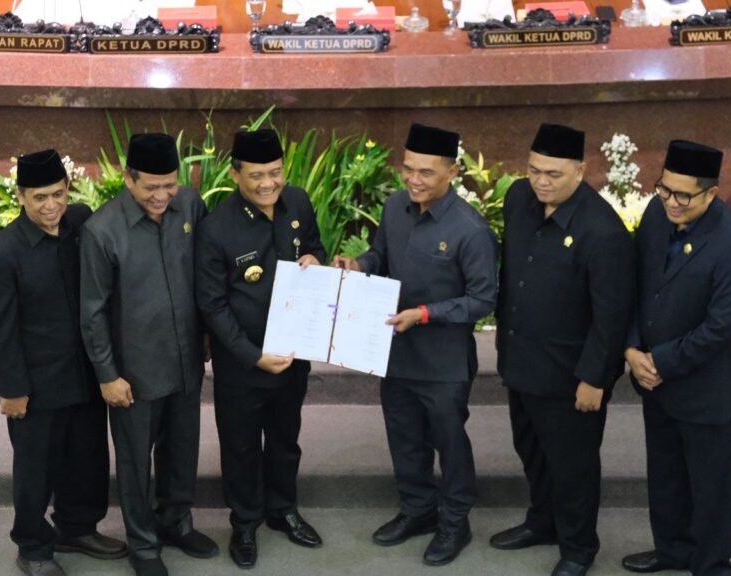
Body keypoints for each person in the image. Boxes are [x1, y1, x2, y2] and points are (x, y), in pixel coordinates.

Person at [334, 122, 497, 567]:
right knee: (404, 438)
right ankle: (417, 511)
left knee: (449, 441)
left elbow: (483, 299)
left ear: (453, 171)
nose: (414, 180)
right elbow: (380, 257)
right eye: (408, 169)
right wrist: (357, 264)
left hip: (443, 362)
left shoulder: (470, 229)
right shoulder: (393, 208)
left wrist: (426, 313)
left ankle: (455, 521)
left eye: (426, 172)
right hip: (393, 350)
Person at [492, 123, 635, 576]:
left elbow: (611, 316)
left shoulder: (603, 231)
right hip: (521, 363)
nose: (541, 182)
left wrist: (596, 378)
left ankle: (578, 548)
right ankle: (543, 522)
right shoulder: (518, 199)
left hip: (571, 377)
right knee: (530, 451)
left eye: (553, 173)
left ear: (581, 170)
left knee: (573, 468)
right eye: (534, 170)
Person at [0, 149, 126, 576]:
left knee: (88, 458)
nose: (51, 206)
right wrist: (12, 389)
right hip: (37, 385)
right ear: (21, 196)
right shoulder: (2, 254)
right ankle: (33, 545)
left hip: (85, 373)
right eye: (40, 197)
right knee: (35, 469)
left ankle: (77, 528)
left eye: (58, 194)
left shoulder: (80, 223)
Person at [79, 133, 216, 576]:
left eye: (169, 185)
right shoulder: (102, 230)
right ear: (128, 178)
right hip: (133, 371)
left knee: (182, 450)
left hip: (185, 360)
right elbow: (93, 311)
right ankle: (143, 543)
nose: (161, 196)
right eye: (150, 187)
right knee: (136, 461)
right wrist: (107, 374)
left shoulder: (191, 207)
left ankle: (176, 521)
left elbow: (208, 272)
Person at [621, 140, 731, 576]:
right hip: (656, 382)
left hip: (705, 389)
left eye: (684, 195)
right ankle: (672, 551)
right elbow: (638, 288)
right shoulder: (655, 216)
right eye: (665, 189)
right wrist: (630, 347)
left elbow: (721, 328)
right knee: (665, 477)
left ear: (711, 193)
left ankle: (712, 565)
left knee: (710, 487)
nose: (672, 202)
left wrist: (659, 361)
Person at [195, 129, 326, 569]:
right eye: (256, 175)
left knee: (286, 440)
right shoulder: (217, 228)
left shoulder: (299, 203)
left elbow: (315, 247)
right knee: (242, 445)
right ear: (235, 174)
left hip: (294, 354)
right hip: (243, 363)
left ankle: (283, 509)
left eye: (275, 173)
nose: (268, 183)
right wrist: (252, 355)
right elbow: (212, 304)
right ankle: (245, 522)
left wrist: (313, 258)